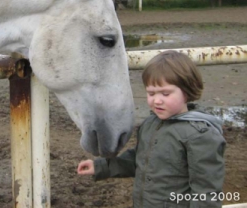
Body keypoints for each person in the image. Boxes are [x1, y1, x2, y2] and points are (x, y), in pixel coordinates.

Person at [77, 50, 226, 207]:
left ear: (187, 93)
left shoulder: (200, 136)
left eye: (165, 94)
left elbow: (206, 193)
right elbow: (138, 160)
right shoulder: (150, 124)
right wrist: (100, 166)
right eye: (151, 93)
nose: (157, 100)